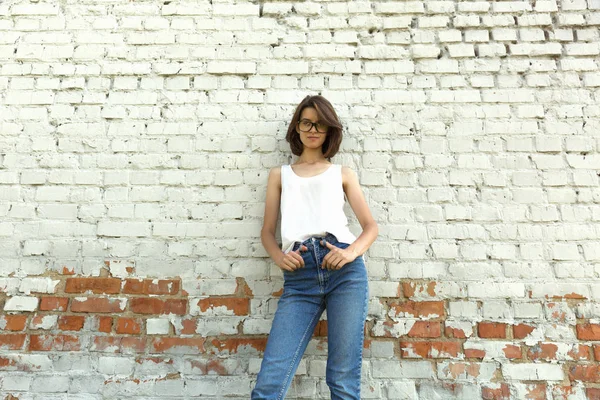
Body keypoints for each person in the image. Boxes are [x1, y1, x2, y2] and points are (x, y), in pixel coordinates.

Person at [251, 95, 378, 400]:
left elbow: (370, 227)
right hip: (300, 278)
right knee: (270, 382)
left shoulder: (342, 173)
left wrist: (349, 253)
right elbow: (267, 232)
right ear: (297, 127)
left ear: (329, 130)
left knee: (342, 381)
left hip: (344, 273)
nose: (313, 129)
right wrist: (280, 258)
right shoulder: (279, 175)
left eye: (320, 124)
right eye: (307, 122)